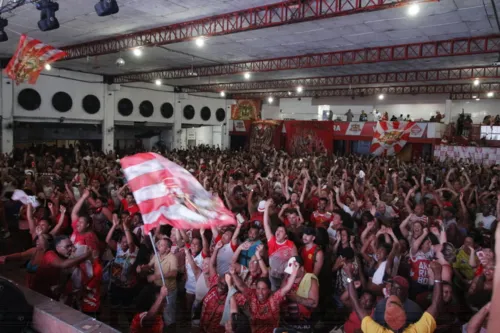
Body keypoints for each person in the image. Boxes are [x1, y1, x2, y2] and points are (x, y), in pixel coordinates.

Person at [346, 261, 443, 332]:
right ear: (404, 314)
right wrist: (438, 276)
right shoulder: (417, 328)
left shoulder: (375, 329)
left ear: (385, 318)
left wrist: (349, 276)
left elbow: (356, 304)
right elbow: (436, 306)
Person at [229, 259, 301, 333]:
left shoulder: (274, 299)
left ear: (269, 290)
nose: (260, 292)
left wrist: (294, 273)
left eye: (263, 289)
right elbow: (242, 286)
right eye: (258, 288)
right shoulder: (252, 296)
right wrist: (233, 274)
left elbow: (286, 288)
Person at [32, 235, 92, 299]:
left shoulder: (64, 256)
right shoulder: (49, 254)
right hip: (39, 291)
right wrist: (85, 255)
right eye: (67, 246)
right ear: (57, 247)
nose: (71, 248)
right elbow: (63, 264)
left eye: (71, 245)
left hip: (51, 290)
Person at [263, 199, 297, 290]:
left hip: (285, 277)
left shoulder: (291, 244)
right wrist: (266, 208)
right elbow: (266, 224)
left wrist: (287, 277)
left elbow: (295, 261)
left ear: (285, 236)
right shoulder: (272, 240)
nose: (278, 232)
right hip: (272, 275)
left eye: (281, 231)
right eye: (277, 230)